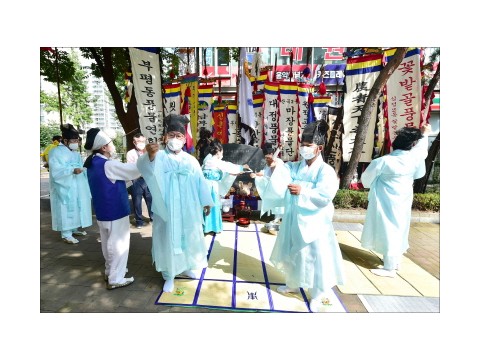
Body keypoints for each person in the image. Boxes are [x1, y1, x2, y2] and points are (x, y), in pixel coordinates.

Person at [255, 120, 344, 312]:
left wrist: (302, 191)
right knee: (293, 250)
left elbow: (325, 195)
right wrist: (273, 166)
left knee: (316, 255)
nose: (304, 149)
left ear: (319, 148)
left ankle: (318, 292)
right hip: (295, 216)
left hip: (315, 220)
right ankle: (293, 282)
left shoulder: (325, 171)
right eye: (302, 145)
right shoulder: (295, 166)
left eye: (308, 146)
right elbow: (281, 175)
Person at [137, 114, 214, 293]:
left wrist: (206, 202)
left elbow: (200, 181)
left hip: (188, 206)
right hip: (168, 207)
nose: (175, 139)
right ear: (165, 137)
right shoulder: (159, 155)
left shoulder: (191, 159)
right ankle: (169, 274)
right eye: (171, 135)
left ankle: (186, 267)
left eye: (179, 136)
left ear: (184, 138)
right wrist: (149, 154)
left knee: (188, 236)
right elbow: (144, 168)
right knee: (167, 238)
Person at [360, 124, 431, 277]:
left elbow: (366, 180)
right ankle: (395, 261)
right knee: (400, 227)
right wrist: (425, 134)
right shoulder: (414, 158)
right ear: (411, 145)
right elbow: (421, 151)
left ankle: (389, 268)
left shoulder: (383, 162)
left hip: (385, 199)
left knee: (388, 229)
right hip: (404, 197)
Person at [83, 128, 141, 290]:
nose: (113, 145)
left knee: (108, 242)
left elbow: (117, 180)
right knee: (119, 244)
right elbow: (133, 171)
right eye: (110, 143)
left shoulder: (93, 162)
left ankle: (111, 271)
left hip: (103, 210)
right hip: (115, 210)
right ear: (103, 147)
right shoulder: (108, 164)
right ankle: (116, 277)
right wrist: (147, 159)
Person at [48, 124, 92, 244]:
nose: (76, 143)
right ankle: (66, 233)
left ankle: (74, 227)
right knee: (66, 207)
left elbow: (79, 166)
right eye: (74, 140)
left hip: (76, 183)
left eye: (77, 140)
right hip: (64, 184)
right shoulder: (55, 152)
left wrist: (81, 170)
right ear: (65, 140)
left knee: (77, 205)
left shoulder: (75, 153)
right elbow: (56, 170)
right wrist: (71, 170)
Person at [202, 139, 251, 234]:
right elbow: (227, 166)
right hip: (211, 187)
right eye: (222, 151)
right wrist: (240, 167)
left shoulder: (207, 159)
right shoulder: (213, 160)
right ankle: (211, 227)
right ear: (218, 151)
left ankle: (206, 226)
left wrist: (232, 173)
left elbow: (222, 171)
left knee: (207, 205)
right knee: (212, 205)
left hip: (207, 186)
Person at [250, 142, 284, 234]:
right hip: (272, 188)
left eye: (268, 157)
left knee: (281, 207)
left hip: (280, 187)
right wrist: (255, 175)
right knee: (274, 206)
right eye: (265, 158)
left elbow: (273, 162)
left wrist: (279, 149)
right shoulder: (268, 163)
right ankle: (274, 222)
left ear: (272, 155)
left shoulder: (278, 162)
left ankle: (279, 224)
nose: (267, 160)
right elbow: (264, 172)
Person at [126, 132, 153, 228]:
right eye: (138, 141)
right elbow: (131, 167)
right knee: (136, 201)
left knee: (150, 199)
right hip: (136, 180)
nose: (141, 143)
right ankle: (139, 221)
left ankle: (153, 218)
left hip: (148, 179)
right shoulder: (131, 153)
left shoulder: (149, 152)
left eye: (142, 141)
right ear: (134, 142)